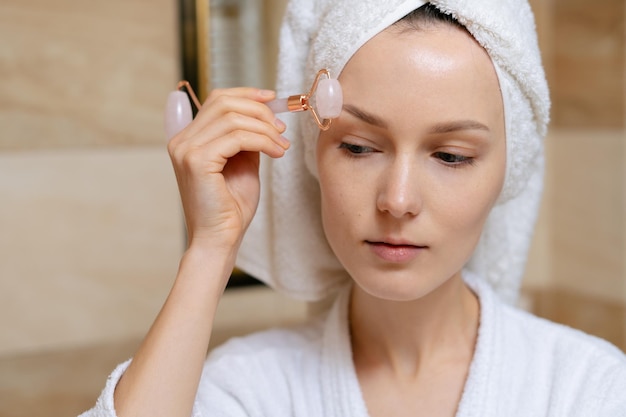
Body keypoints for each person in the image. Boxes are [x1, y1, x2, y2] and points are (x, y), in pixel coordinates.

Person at [81, 1, 626, 416]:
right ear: (313, 153)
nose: (397, 199)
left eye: (451, 155)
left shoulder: (587, 388)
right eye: (360, 147)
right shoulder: (246, 389)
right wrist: (211, 247)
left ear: (512, 167)